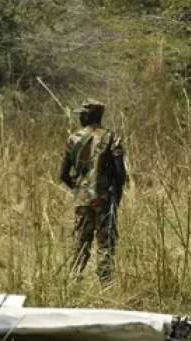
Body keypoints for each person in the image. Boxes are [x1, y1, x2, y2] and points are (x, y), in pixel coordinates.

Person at [59, 98, 127, 284]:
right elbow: (121, 173)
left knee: (81, 241)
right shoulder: (111, 138)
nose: (80, 116)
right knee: (105, 242)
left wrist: (78, 188)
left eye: (83, 113)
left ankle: (74, 280)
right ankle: (105, 283)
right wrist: (116, 195)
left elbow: (63, 174)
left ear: (90, 115)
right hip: (105, 199)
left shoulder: (73, 139)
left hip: (82, 199)